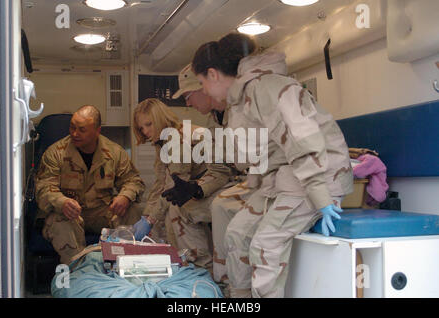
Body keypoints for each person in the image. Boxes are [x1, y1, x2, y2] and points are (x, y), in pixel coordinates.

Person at [191, 33, 354, 298]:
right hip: (285, 179)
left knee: (265, 246)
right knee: (237, 234)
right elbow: (262, 153)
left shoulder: (266, 87)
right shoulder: (241, 98)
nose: (204, 91)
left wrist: (322, 197)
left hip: (319, 176)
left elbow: (302, 139)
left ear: (213, 74)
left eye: (201, 83)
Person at [173, 65, 255, 288]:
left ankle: (229, 285)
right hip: (237, 184)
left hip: (259, 183)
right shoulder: (212, 123)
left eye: (189, 96)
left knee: (221, 206)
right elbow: (218, 170)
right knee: (182, 208)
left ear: (205, 87)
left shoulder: (243, 109)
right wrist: (197, 189)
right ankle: (202, 275)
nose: (188, 103)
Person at [132, 98, 233, 271]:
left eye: (149, 124)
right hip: (202, 183)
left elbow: (174, 187)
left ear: (159, 118)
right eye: (141, 128)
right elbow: (160, 182)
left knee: (177, 211)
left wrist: (151, 218)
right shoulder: (163, 140)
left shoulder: (177, 139)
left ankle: (200, 269)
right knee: (162, 213)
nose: (146, 131)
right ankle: (181, 262)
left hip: (222, 183)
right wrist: (148, 215)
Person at [35, 105, 145, 265]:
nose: (74, 133)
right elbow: (43, 189)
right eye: (72, 127)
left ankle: (129, 267)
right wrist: (62, 202)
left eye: (82, 129)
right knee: (60, 222)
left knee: (134, 211)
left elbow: (133, 180)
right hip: (69, 212)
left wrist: (125, 196)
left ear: (97, 130)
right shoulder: (56, 153)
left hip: (102, 211)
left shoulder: (114, 152)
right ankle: (77, 272)